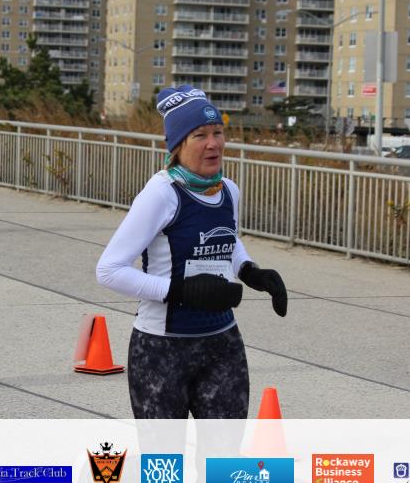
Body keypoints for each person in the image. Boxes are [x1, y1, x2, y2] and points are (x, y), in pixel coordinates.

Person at [96, 85, 287, 420]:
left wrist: (250, 271)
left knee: (224, 452)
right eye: (200, 135)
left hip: (222, 343)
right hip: (162, 347)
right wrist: (181, 291)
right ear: (178, 145)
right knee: (166, 456)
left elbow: (227, 239)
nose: (213, 143)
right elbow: (109, 270)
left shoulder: (229, 190)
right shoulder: (161, 194)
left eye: (218, 132)